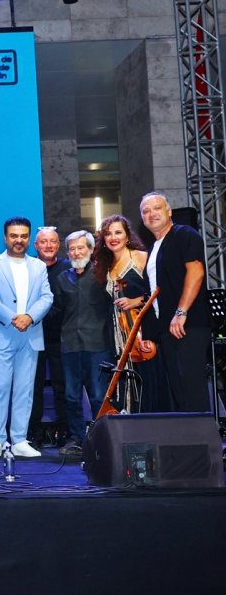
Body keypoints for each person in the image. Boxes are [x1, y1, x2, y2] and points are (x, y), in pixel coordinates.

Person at [0, 216, 54, 458]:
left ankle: (20, 439)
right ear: (5, 238)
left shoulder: (39, 266)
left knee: (25, 389)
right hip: (2, 333)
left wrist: (30, 317)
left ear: (29, 238)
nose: (18, 240)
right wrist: (13, 317)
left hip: (30, 334)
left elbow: (47, 297)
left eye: (23, 236)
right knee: (0, 387)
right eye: (14, 236)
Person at [139, 192, 211, 412]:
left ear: (169, 211)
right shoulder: (153, 248)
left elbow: (196, 272)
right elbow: (157, 290)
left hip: (188, 324)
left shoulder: (184, 234)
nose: (151, 214)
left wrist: (181, 312)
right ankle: (188, 433)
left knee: (192, 388)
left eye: (157, 208)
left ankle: (202, 434)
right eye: (146, 211)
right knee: (178, 391)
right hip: (167, 329)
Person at [52, 230, 112, 457]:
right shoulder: (62, 278)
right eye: (72, 249)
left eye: (81, 248)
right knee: (71, 395)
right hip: (69, 344)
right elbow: (56, 309)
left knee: (97, 395)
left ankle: (102, 438)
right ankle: (77, 438)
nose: (76, 252)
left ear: (91, 249)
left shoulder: (102, 274)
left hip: (97, 344)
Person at [93, 214, 156, 411]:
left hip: (141, 329)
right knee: (122, 378)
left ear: (127, 236)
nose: (113, 237)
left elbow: (160, 289)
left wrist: (136, 301)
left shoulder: (141, 257)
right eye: (108, 234)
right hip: (116, 333)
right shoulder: (104, 264)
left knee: (147, 376)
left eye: (118, 232)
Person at [30, 226, 71, 449]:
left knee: (63, 387)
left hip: (61, 338)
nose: (48, 245)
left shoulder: (68, 267)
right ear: (36, 245)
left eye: (53, 241)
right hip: (32, 337)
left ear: (58, 244)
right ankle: (33, 434)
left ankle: (65, 433)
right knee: (32, 388)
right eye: (43, 242)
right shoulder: (29, 268)